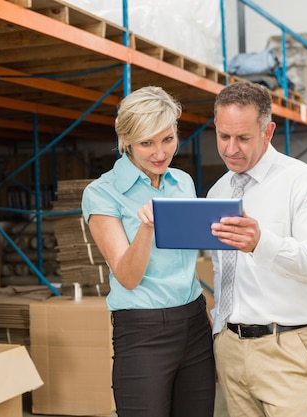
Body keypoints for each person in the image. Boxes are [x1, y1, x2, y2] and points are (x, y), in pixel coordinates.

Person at [207, 81, 307, 417]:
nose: (231, 149)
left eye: (243, 138)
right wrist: (218, 338)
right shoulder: (216, 192)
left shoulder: (305, 185)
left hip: (289, 349)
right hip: (230, 349)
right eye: (223, 136)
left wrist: (261, 243)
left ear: (268, 132)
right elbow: (224, 276)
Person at [81, 85, 216, 417]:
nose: (160, 153)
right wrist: (147, 228)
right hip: (143, 331)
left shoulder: (182, 183)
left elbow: (185, 260)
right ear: (125, 139)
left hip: (195, 321)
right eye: (146, 143)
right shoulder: (102, 194)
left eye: (167, 139)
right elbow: (127, 277)